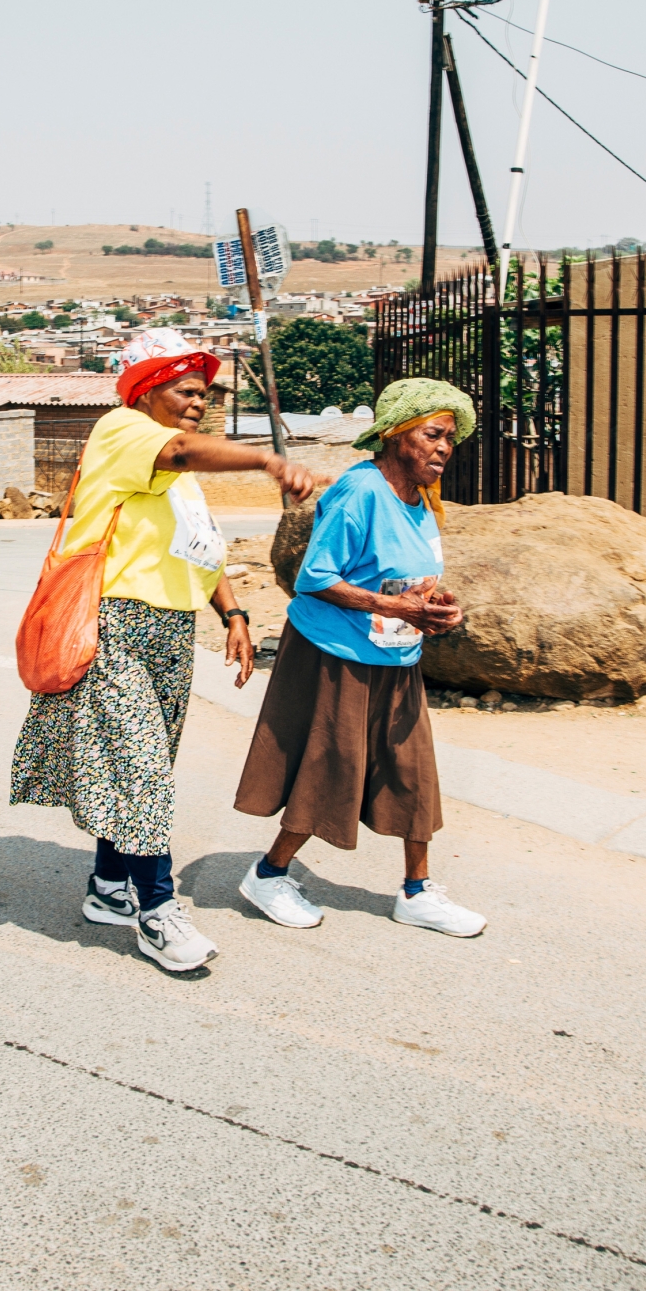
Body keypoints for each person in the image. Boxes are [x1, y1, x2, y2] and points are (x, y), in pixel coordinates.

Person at [10, 329, 315, 974]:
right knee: (141, 764)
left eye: (205, 394)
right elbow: (180, 448)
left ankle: (107, 885)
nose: (199, 403)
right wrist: (264, 460)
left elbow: (197, 548)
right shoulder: (124, 431)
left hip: (171, 629)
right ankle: (156, 909)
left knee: (144, 765)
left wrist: (231, 611)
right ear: (147, 391)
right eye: (186, 390)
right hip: (114, 621)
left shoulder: (179, 477)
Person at [232, 377, 486, 938]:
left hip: (395, 653)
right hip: (333, 651)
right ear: (397, 436)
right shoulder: (361, 490)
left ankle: (417, 892)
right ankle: (269, 873)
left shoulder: (421, 503)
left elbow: (408, 579)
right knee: (330, 764)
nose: (445, 448)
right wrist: (393, 604)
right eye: (434, 434)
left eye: (451, 439)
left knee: (413, 770)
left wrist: (438, 606)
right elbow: (314, 578)